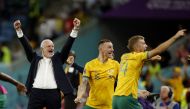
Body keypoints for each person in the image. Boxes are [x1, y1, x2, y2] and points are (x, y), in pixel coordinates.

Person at [13, 18, 80, 109]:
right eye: (48, 46)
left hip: (53, 94)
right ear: (42, 49)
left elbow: (67, 46)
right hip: (36, 93)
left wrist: (75, 29)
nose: (51, 47)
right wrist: (19, 31)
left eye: (52, 46)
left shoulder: (58, 59)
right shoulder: (35, 59)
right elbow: (27, 46)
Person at [113, 29, 186, 109]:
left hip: (116, 99)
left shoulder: (124, 56)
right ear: (137, 46)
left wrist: (151, 59)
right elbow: (158, 50)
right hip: (127, 99)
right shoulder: (139, 56)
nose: (146, 46)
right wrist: (176, 37)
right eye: (143, 43)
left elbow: (136, 61)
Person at [75, 39, 120, 109]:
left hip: (109, 106)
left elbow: (124, 81)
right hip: (92, 105)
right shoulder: (90, 65)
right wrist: (79, 96)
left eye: (112, 47)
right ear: (101, 49)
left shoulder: (116, 64)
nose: (112, 49)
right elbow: (83, 83)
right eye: (109, 47)